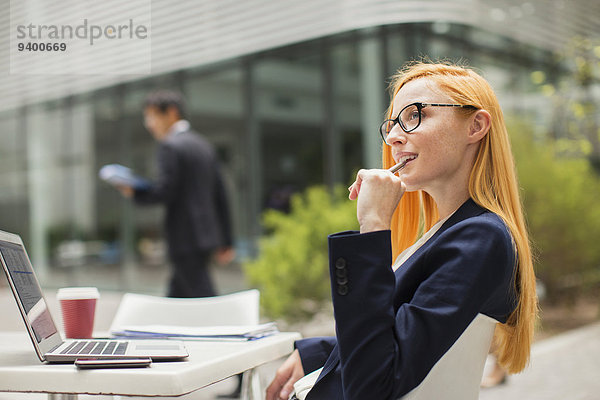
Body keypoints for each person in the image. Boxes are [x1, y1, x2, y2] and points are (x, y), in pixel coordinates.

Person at [266, 62, 538, 400]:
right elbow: (407, 336)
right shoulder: (452, 231)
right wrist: (320, 351)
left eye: (414, 115)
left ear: (476, 126)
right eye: (393, 123)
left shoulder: (480, 238)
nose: (394, 136)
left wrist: (374, 226)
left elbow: (374, 384)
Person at [118, 90, 235, 298]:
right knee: (177, 297)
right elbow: (221, 194)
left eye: (151, 116)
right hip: (206, 237)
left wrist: (134, 192)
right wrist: (226, 239)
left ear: (171, 113)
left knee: (204, 299)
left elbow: (165, 191)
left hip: (185, 237)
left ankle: (225, 329)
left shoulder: (170, 146)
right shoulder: (204, 145)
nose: (148, 123)